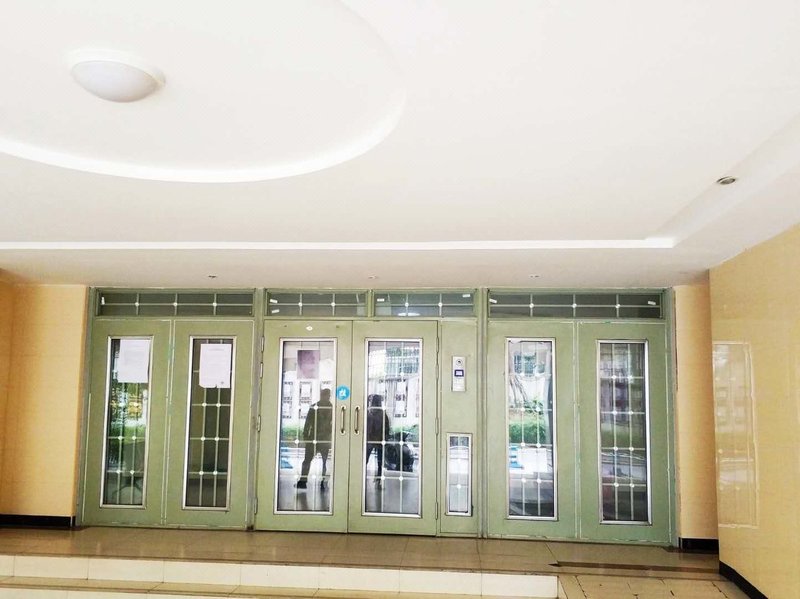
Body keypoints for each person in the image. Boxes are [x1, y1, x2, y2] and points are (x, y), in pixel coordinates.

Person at [296, 388, 333, 489]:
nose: (326, 397)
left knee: (311, 461)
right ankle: (321, 482)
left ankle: (304, 481)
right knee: (322, 461)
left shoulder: (316, 407)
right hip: (321, 438)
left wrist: (306, 436)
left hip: (317, 438)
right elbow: (308, 422)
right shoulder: (331, 408)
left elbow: (308, 423)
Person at [365, 393, 391, 484]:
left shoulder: (369, 413)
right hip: (380, 440)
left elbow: (367, 427)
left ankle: (362, 475)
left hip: (370, 439)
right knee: (379, 461)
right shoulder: (383, 415)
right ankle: (379, 477)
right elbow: (387, 428)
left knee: (366, 459)